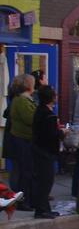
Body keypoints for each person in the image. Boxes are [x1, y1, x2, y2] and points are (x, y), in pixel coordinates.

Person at [30, 85, 61, 219]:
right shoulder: (48, 115)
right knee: (45, 181)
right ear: (51, 98)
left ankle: (44, 207)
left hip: (39, 149)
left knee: (44, 180)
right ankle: (41, 209)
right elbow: (50, 135)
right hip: (45, 151)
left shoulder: (41, 111)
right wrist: (62, 132)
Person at [7, 73, 36, 209]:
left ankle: (27, 198)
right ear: (28, 85)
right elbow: (30, 119)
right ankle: (23, 201)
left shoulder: (25, 99)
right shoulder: (21, 101)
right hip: (22, 140)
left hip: (24, 139)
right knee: (24, 171)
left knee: (26, 171)